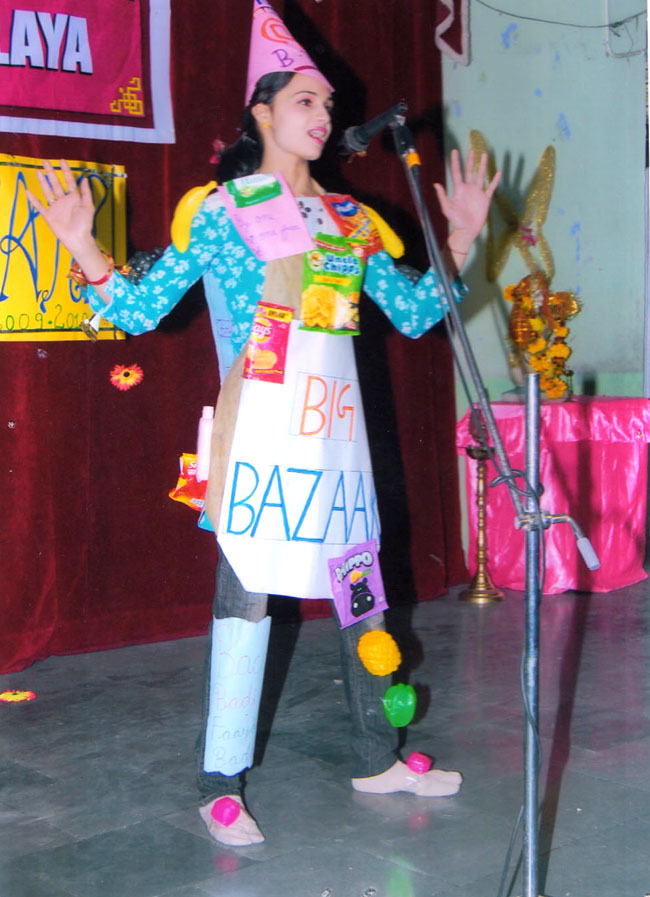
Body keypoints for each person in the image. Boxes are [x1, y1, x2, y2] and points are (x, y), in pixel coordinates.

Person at [28, 1, 500, 849]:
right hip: (258, 444)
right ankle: (220, 784)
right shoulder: (224, 210)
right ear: (262, 111)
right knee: (245, 605)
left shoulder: (351, 221)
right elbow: (138, 308)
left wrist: (460, 239)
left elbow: (417, 312)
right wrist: (84, 247)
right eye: (305, 101)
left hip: (337, 445)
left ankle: (377, 757)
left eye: (327, 104)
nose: (323, 116)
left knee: (363, 601)